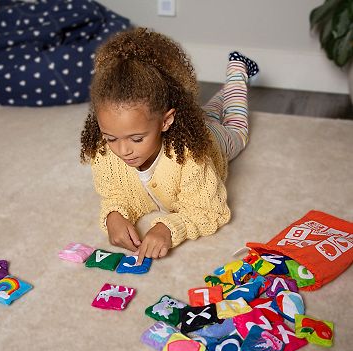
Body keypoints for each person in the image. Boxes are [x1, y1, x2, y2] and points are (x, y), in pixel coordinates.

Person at [80, 27, 259, 264]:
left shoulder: (192, 156)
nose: (123, 150)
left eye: (136, 139)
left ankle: (237, 71)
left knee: (236, 126)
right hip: (190, 121)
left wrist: (168, 228)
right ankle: (221, 96)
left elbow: (209, 210)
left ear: (166, 121)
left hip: (211, 140)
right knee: (206, 112)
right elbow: (115, 195)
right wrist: (114, 215)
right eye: (111, 138)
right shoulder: (103, 153)